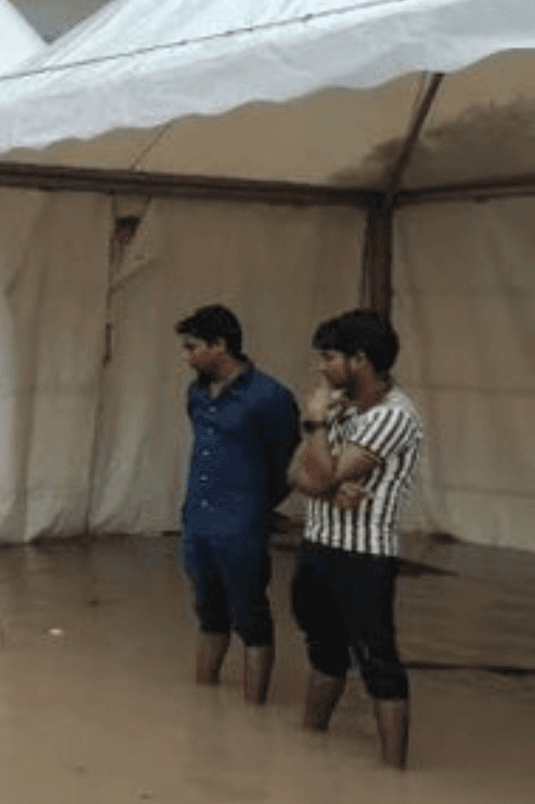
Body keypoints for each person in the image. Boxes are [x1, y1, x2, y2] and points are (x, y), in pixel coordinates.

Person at [287, 308, 424, 769]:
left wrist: (316, 428)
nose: (321, 369)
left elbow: (321, 469)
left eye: (329, 358)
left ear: (360, 359)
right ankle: (311, 746)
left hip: (363, 558)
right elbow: (296, 472)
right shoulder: (342, 407)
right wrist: (324, 481)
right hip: (319, 546)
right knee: (323, 649)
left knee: (377, 661)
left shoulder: (394, 416)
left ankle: (393, 777)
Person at [174, 305, 301, 703]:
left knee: (251, 616)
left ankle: (253, 711)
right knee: (208, 613)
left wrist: (254, 506)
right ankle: (205, 699)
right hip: (198, 521)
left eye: (193, 347)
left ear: (220, 346)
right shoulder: (196, 394)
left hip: (241, 526)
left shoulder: (270, 397)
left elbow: (287, 463)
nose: (187, 356)